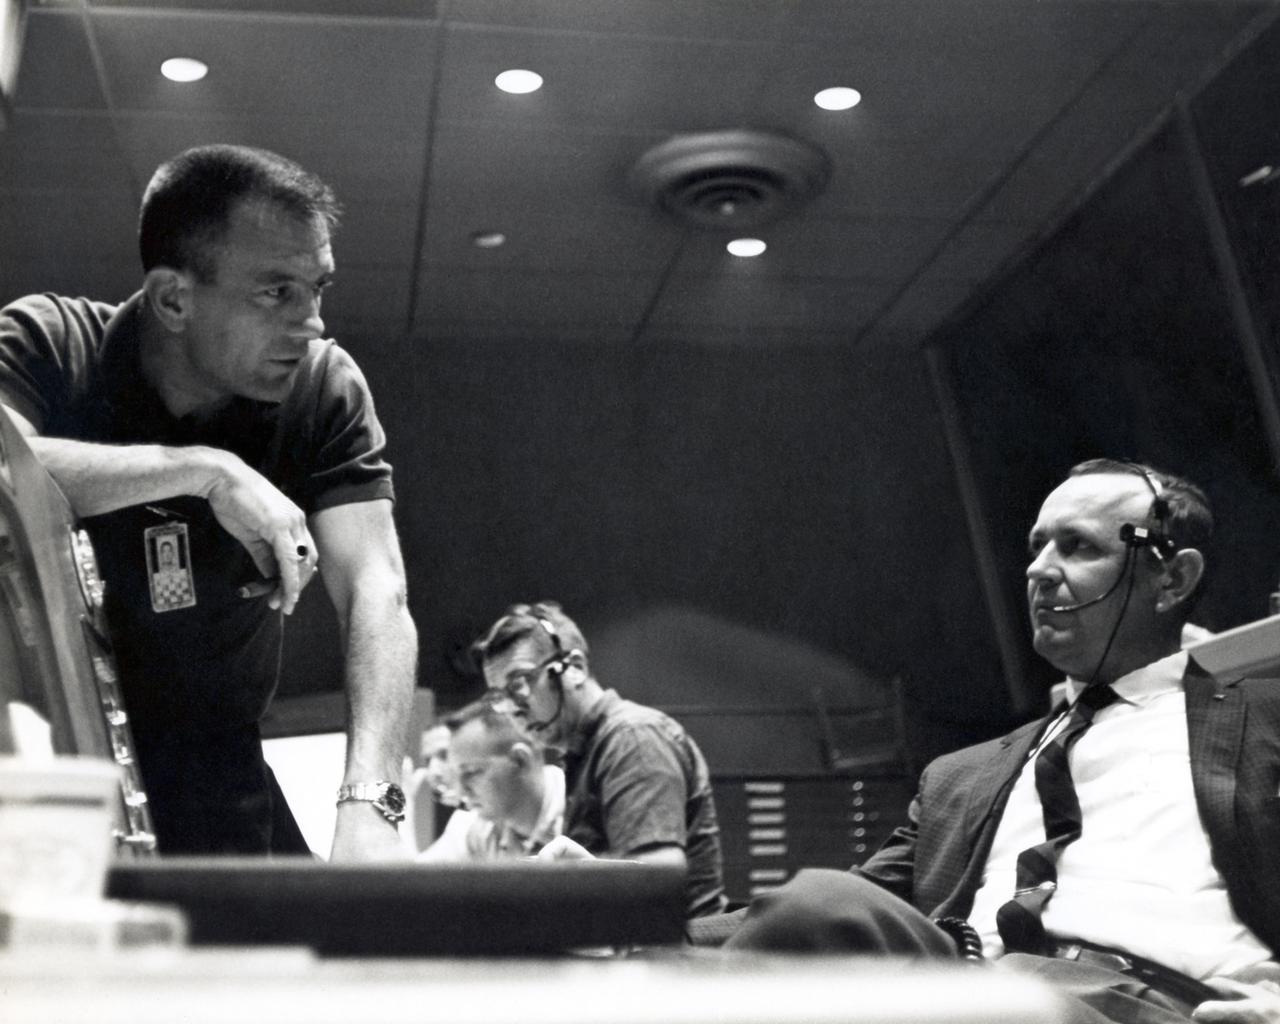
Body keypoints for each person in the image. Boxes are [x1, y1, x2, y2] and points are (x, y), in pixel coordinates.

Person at [711, 460, 1279, 1024]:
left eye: (1078, 547)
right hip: (971, 984)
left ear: (1172, 579)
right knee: (818, 903)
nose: (1038, 570)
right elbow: (821, 908)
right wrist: (642, 935)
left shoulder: (1263, 721)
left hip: (1144, 1002)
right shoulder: (962, 775)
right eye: (1037, 547)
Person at [0, 144, 417, 860]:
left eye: (318, 288)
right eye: (275, 291)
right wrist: (204, 471)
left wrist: (370, 800)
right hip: (54, 764)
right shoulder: (52, 342)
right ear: (173, 299)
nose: (311, 321)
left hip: (220, 773)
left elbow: (376, 584)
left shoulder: (324, 389)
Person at [473, 601, 728, 917]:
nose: (513, 708)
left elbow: (657, 885)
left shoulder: (632, 739)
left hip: (676, 961)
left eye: (520, 684)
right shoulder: (586, 752)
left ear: (575, 667)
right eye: (499, 697)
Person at [417, 694, 565, 861]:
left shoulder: (587, 808)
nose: (460, 790)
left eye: (471, 772)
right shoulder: (475, 826)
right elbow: (412, 879)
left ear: (520, 760)